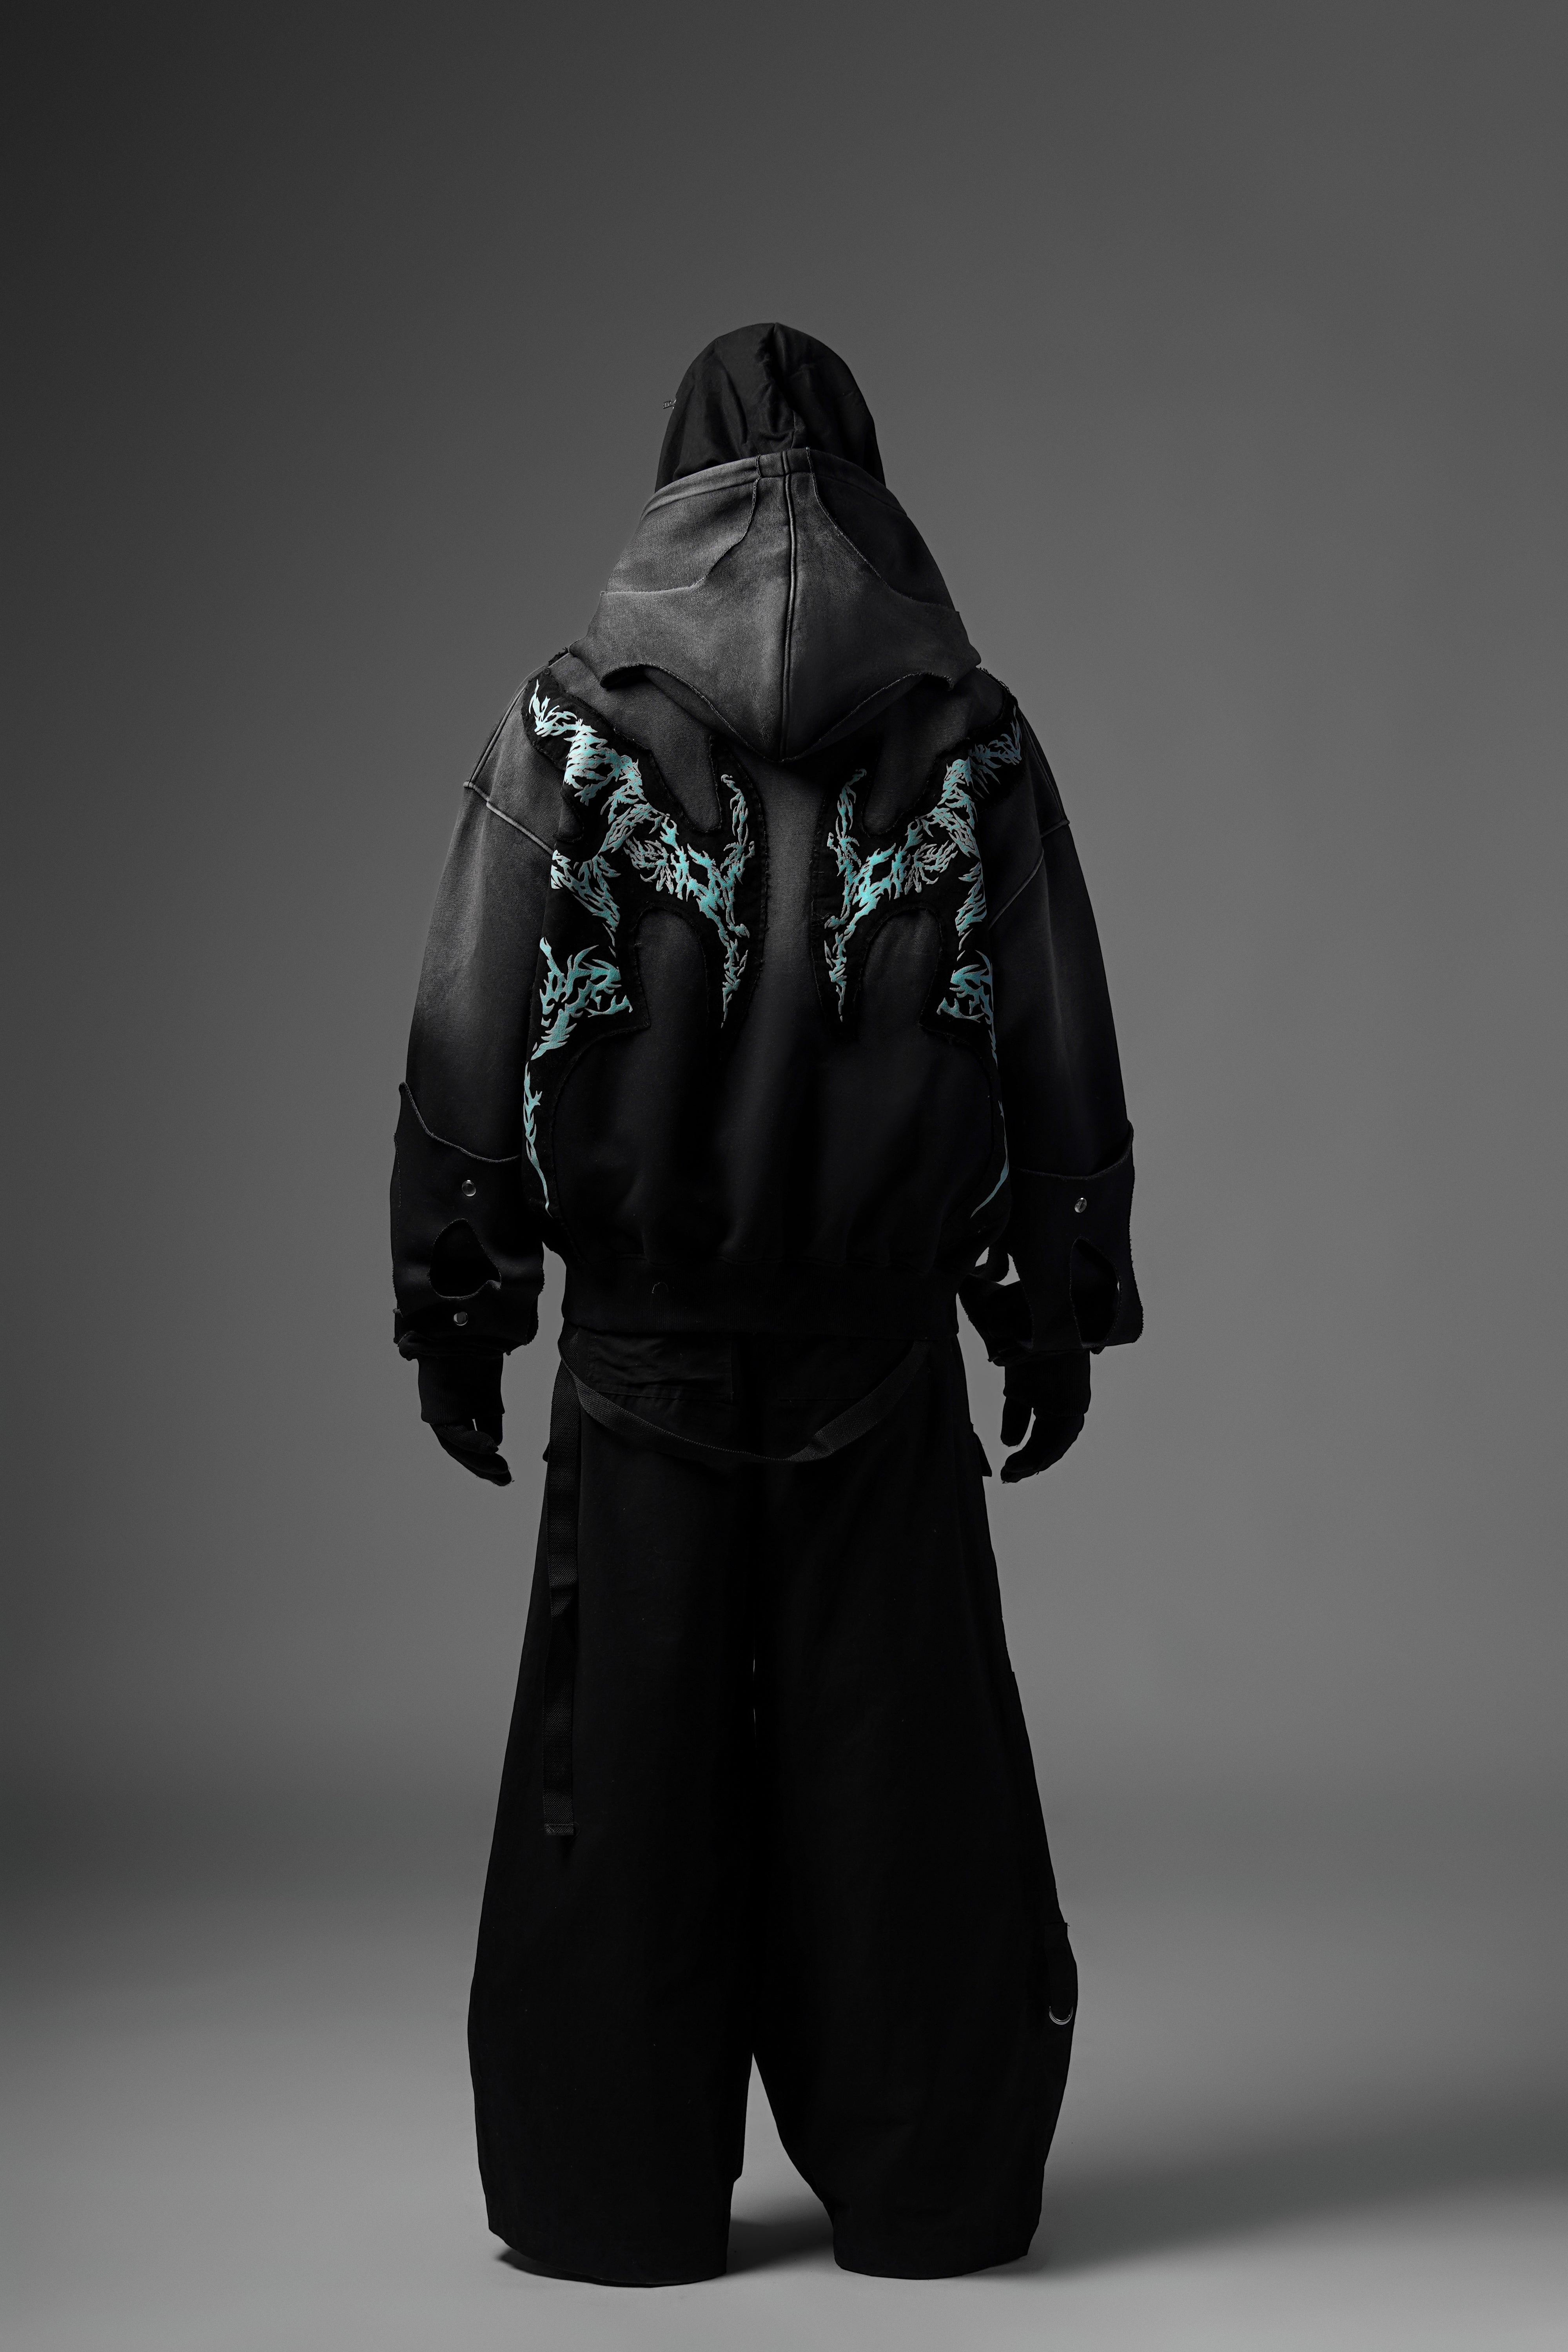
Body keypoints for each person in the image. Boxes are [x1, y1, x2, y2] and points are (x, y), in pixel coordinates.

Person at [389, 322, 1142, 2285]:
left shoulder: (562, 726)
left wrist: (461, 1305)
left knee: (621, 1786)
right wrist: (1050, 1301)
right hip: (875, 1351)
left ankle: (607, 2203)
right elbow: (1055, 1032)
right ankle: (930, 2198)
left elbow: (471, 1027)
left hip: (642, 1354)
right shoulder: (973, 740)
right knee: (900, 1778)